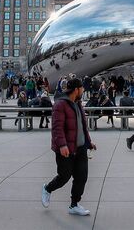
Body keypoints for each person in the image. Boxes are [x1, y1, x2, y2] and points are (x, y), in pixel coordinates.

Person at [42, 78, 96, 216]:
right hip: (66, 148)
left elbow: (82, 126)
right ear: (76, 89)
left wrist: (88, 142)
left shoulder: (77, 103)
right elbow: (57, 128)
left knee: (81, 177)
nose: (83, 91)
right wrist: (62, 145)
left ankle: (74, 205)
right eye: (82, 88)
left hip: (80, 147)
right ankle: (48, 188)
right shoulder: (60, 104)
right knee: (64, 177)